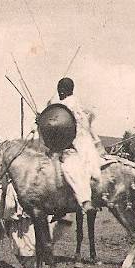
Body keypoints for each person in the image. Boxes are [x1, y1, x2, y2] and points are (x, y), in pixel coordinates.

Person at [48, 77, 103, 213]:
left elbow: (58, 123)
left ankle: (85, 201)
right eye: (58, 89)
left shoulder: (68, 104)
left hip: (76, 143)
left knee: (70, 168)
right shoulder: (73, 103)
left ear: (67, 90)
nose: (59, 92)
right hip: (79, 142)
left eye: (61, 89)